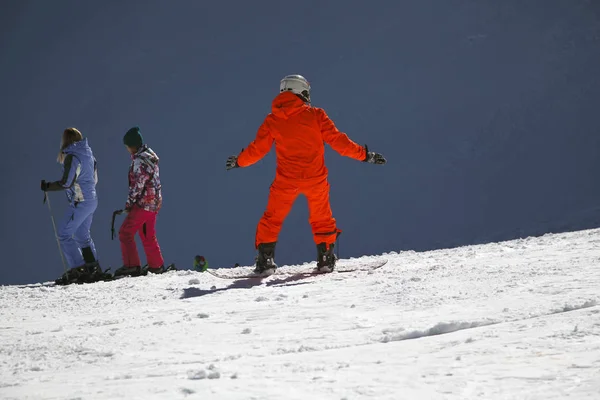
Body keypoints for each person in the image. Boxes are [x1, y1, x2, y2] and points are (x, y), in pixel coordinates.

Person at [226, 75, 386, 275]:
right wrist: (365, 156)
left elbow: (257, 149)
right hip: (315, 179)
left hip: (286, 181)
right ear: (302, 92)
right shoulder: (316, 115)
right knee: (322, 218)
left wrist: (240, 161)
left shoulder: (272, 120)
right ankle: (326, 258)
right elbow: (339, 142)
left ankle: (265, 261)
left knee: (272, 218)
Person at [41, 127, 103, 284]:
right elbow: (94, 179)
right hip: (91, 199)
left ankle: (78, 268)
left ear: (66, 140)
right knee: (82, 234)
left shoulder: (72, 156)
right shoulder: (89, 155)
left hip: (81, 201)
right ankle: (92, 267)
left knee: (63, 233)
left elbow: (66, 183)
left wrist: (48, 186)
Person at [114, 127, 166, 277]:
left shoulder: (139, 161)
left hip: (143, 203)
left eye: (128, 146)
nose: (127, 149)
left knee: (125, 232)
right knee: (147, 234)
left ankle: (131, 265)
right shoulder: (150, 157)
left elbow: (138, 185)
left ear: (133, 145)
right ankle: (156, 266)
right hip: (154, 203)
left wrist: (129, 204)